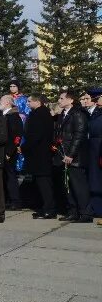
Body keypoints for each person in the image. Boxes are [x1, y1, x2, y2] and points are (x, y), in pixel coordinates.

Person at [57, 90, 93, 223]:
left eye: (61, 98)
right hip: (64, 155)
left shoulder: (77, 114)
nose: (59, 101)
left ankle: (85, 213)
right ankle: (73, 211)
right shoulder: (63, 114)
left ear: (70, 100)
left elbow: (79, 136)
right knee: (68, 186)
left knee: (79, 186)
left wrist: (71, 154)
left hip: (75, 157)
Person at [23, 94, 58, 219]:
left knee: (44, 183)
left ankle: (49, 209)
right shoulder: (39, 113)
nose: (27, 103)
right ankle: (45, 207)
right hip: (39, 154)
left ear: (37, 102)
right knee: (41, 183)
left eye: (29, 101)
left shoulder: (40, 114)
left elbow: (35, 135)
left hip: (40, 154)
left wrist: (24, 147)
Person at [0, 94, 24, 210]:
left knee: (10, 176)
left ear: (8, 102)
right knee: (4, 177)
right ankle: (8, 199)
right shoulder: (3, 115)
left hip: (9, 151)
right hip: (1, 151)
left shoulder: (13, 116)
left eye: (1, 101)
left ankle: (15, 201)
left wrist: (9, 152)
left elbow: (16, 135)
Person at [84, 88, 102, 217]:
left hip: (98, 148)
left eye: (97, 99)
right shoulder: (96, 113)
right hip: (94, 149)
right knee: (94, 179)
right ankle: (96, 208)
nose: (96, 102)